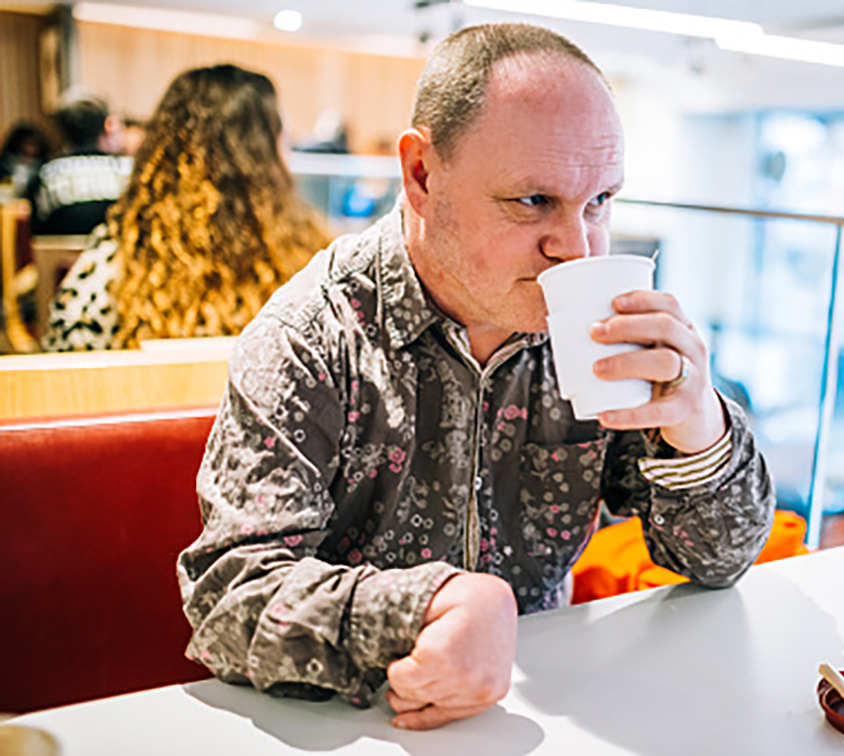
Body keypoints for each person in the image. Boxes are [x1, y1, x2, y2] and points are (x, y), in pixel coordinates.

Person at [177, 23, 775, 731]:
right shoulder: (310, 338)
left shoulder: (593, 332)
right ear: (422, 176)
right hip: (356, 723)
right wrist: (425, 607)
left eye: (600, 201)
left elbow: (719, 561)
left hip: (547, 716)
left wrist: (701, 433)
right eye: (533, 201)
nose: (575, 248)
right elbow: (227, 599)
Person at [42, 65, 330, 352]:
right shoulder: (309, 263)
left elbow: (62, 366)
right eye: (286, 143)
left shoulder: (117, 262)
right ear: (266, 157)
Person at [30, 91, 131, 235]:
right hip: (116, 253)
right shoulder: (127, 171)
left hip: (59, 257)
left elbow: (38, 229)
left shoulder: (47, 175)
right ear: (105, 126)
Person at [0, 122, 51, 198]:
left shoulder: (44, 167)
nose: (34, 148)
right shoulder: (4, 164)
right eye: (30, 143)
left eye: (36, 144)